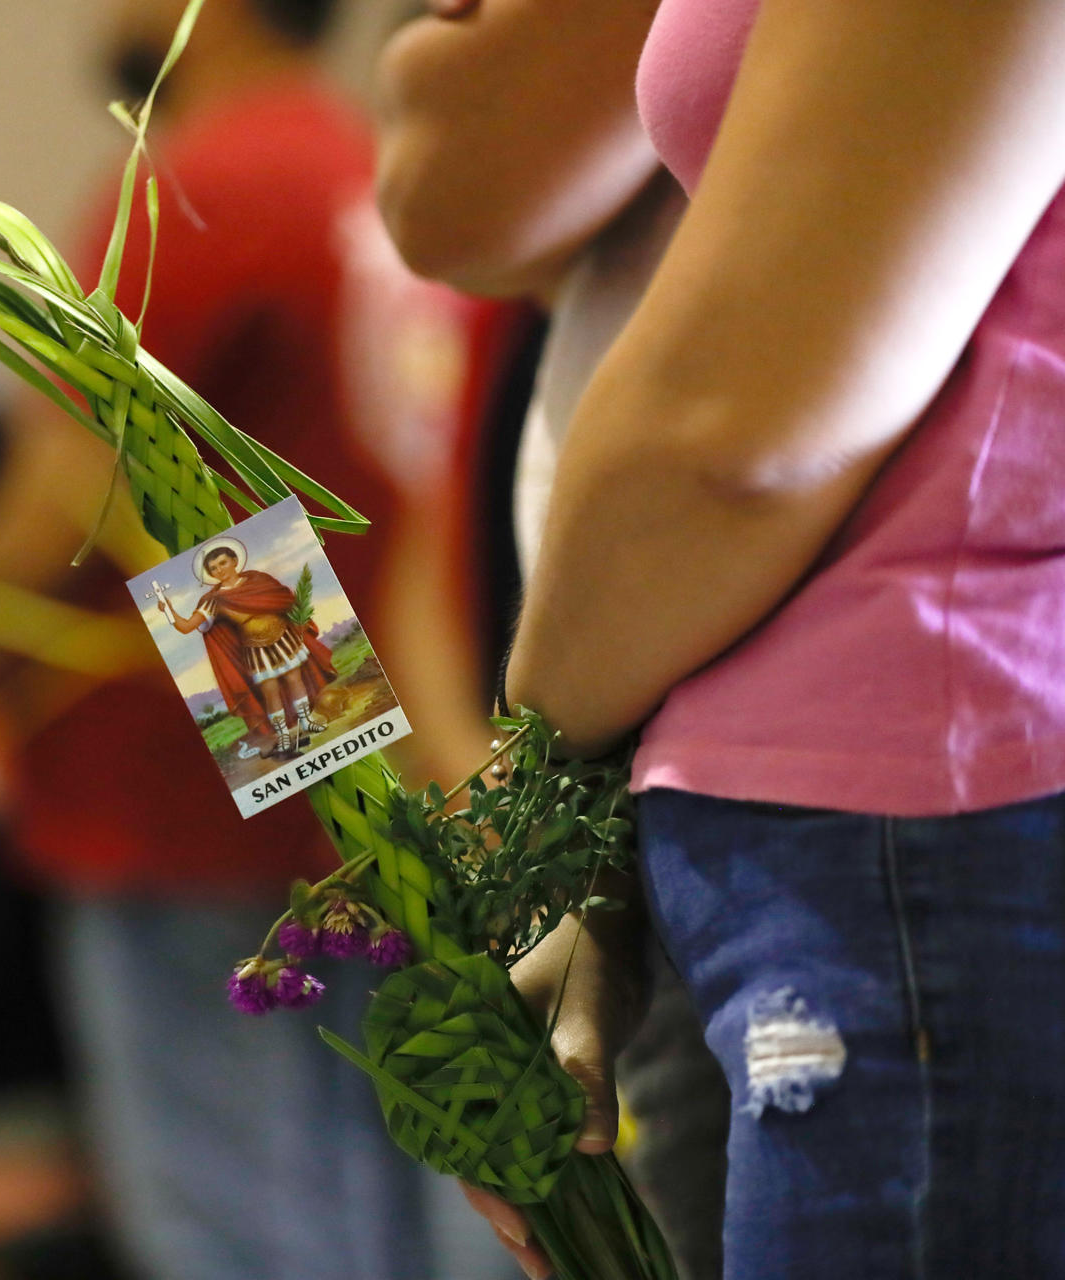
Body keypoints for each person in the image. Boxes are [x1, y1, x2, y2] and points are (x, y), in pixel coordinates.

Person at [379, 1, 1065, 1276]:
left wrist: (535, 782)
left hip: (916, 818)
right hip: (821, 820)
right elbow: (441, 178)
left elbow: (733, 430)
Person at [0, 2, 534, 1277]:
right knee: (379, 1225)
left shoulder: (196, 180)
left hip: (190, 816)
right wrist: (344, 759)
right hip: (356, 781)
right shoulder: (369, 167)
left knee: (234, 1236)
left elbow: (65, 492)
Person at [370, 6, 729, 1278]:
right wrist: (476, 786)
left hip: (663, 791)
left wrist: (525, 793)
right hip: (559, 796)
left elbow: (455, 186)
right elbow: (428, 535)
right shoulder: (516, 308)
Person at [157, 540, 335, 756]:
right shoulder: (213, 600)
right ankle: (284, 736)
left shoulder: (258, 580)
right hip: (256, 649)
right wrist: (169, 611)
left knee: (294, 679)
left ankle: (306, 722)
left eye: (223, 563)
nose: (219, 570)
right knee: (270, 692)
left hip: (284, 637)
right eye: (213, 568)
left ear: (234, 561)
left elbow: (283, 598)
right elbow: (187, 627)